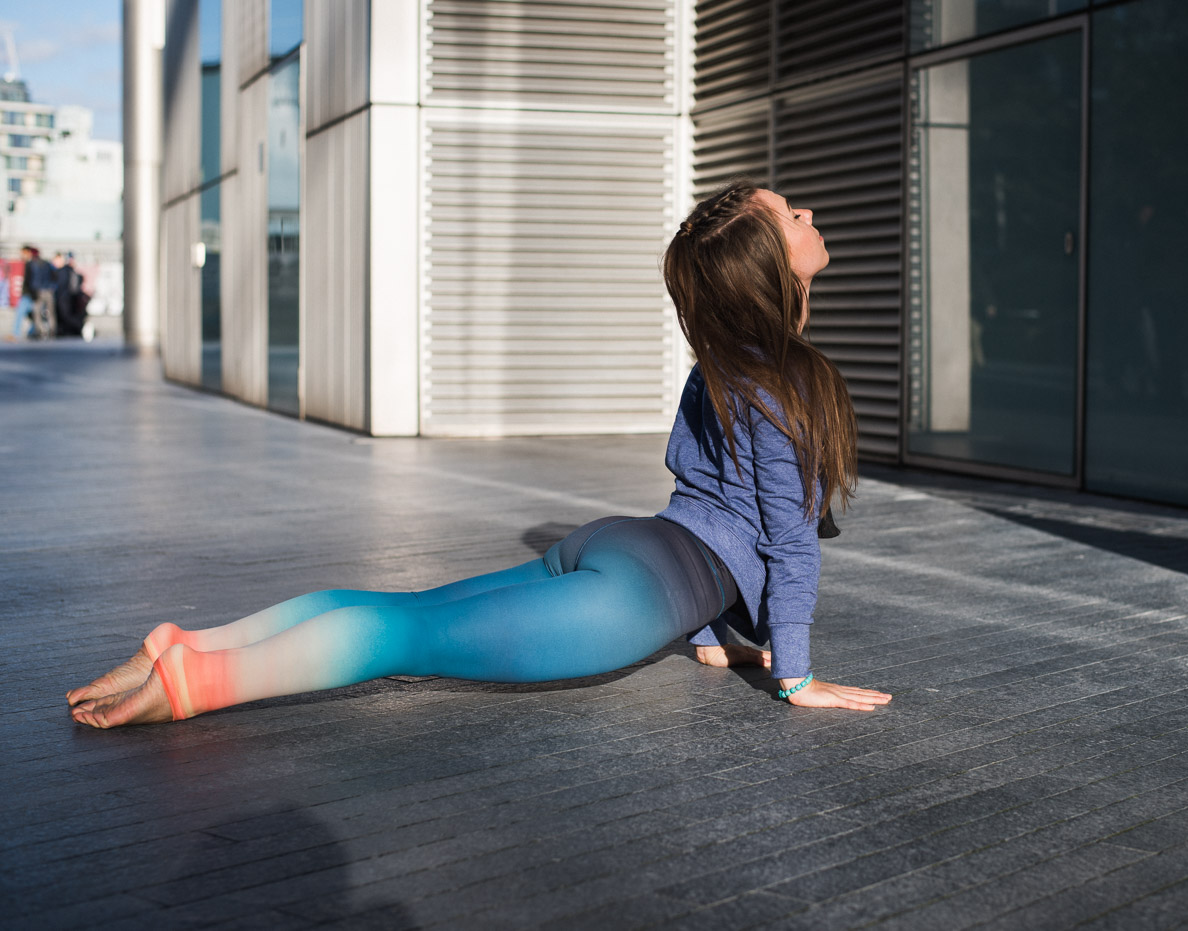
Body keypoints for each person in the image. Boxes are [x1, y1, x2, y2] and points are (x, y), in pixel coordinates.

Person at [67, 181, 893, 728]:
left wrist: (720, 633)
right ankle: (189, 684)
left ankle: (189, 643)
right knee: (405, 639)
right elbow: (781, 540)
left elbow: (708, 499)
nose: (808, 216)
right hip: (637, 591)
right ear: (769, 266)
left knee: (409, 611)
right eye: (793, 216)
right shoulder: (787, 382)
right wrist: (794, 675)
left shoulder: (716, 368)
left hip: (620, 543)